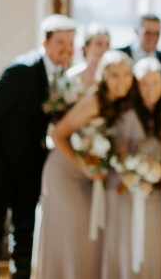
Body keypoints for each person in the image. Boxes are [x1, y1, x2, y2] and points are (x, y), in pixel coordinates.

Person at [0, 14, 75, 279]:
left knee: (24, 230)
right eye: (61, 42)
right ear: (45, 42)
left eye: (71, 43)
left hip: (31, 167)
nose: (67, 48)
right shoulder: (22, 70)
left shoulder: (63, 76)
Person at [37, 50, 132, 278]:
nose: (121, 81)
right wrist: (83, 165)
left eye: (126, 75)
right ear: (103, 77)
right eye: (114, 75)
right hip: (65, 173)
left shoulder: (119, 103)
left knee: (89, 239)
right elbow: (58, 135)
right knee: (72, 235)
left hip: (90, 177)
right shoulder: (93, 101)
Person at [102, 56, 161, 279]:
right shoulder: (127, 114)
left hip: (155, 193)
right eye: (145, 84)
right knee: (127, 245)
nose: (151, 90)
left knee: (152, 244)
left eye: (156, 83)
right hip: (126, 193)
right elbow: (118, 156)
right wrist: (132, 178)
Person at [66, 24, 111, 91]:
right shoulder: (72, 75)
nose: (104, 49)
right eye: (99, 44)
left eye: (107, 44)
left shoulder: (113, 74)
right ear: (86, 48)